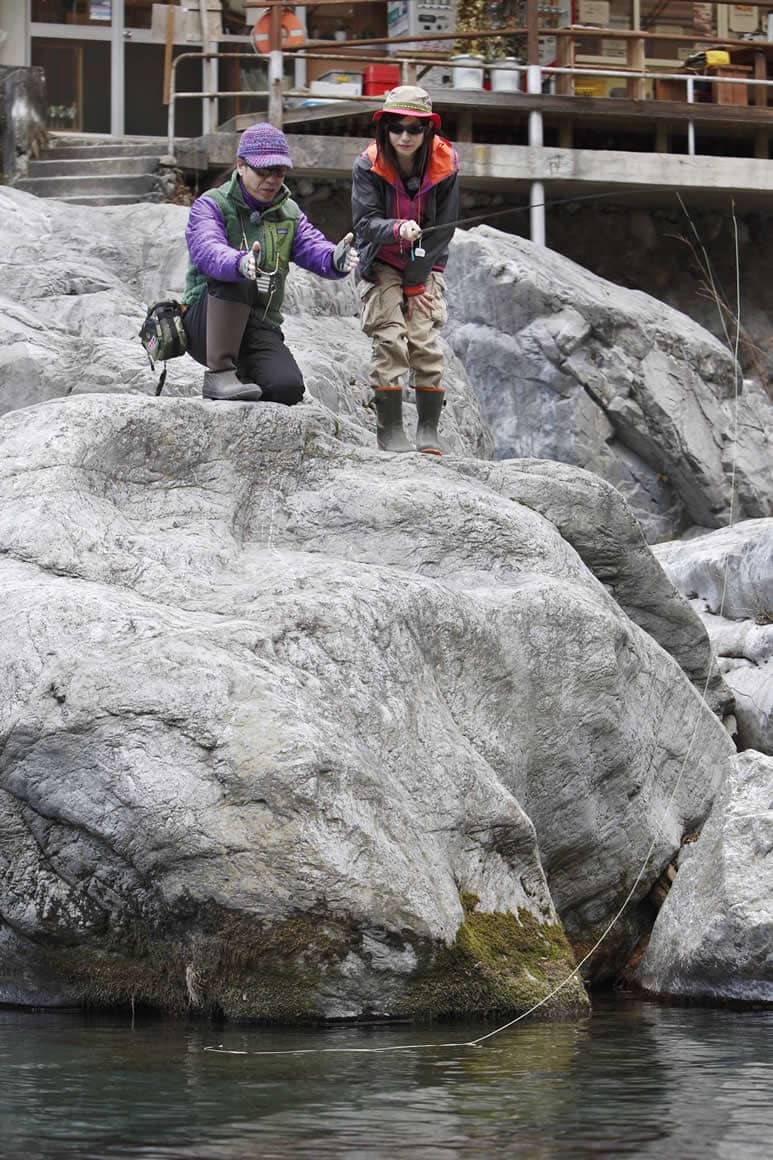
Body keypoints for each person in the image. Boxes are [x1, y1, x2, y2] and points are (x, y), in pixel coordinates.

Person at [182, 122, 358, 403]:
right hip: (208, 324)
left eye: (279, 171)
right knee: (237, 277)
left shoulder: (289, 212)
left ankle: (244, 378)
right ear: (240, 166)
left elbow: (313, 246)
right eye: (263, 170)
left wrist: (335, 259)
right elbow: (207, 249)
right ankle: (220, 376)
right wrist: (238, 263)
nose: (272, 179)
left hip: (258, 326)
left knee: (287, 388)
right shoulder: (210, 204)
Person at [351, 85, 460, 454]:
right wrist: (397, 228)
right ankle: (391, 431)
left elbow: (444, 228)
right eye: (396, 127)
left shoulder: (447, 165)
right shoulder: (367, 164)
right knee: (391, 340)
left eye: (415, 128)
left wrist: (416, 281)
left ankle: (428, 431)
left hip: (425, 261)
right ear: (385, 129)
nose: (404, 136)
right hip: (381, 260)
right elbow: (364, 223)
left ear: (428, 130)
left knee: (425, 343)